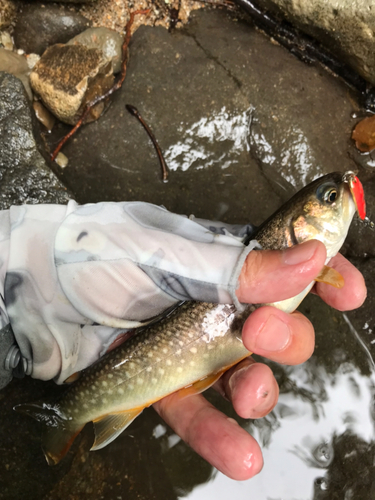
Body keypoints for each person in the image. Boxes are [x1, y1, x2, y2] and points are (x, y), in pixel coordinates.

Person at [0, 200, 366, 480]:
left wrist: (25, 263)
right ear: (298, 230)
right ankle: (68, 414)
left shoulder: (299, 261)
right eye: (332, 198)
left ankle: (69, 413)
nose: (341, 200)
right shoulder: (296, 264)